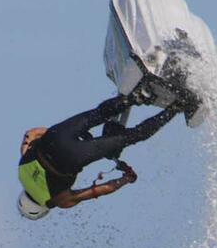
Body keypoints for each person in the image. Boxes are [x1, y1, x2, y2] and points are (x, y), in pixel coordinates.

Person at [17, 93, 184, 220]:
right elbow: (30, 134)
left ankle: (178, 105)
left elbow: (100, 190)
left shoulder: (59, 201)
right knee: (99, 114)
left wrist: (126, 179)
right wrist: (57, 137)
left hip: (73, 156)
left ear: (42, 210)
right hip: (55, 136)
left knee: (132, 136)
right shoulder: (21, 168)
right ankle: (135, 96)